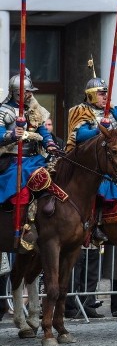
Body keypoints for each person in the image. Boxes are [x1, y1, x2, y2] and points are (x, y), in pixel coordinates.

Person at [66, 69, 117, 243]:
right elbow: (79, 136)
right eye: (101, 94)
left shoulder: (112, 112)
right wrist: (99, 129)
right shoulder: (79, 110)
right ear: (90, 95)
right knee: (100, 184)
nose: (105, 96)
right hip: (87, 161)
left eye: (106, 93)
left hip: (111, 158)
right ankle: (95, 223)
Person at [0, 73, 60, 249]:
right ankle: (21, 229)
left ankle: (49, 224)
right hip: (12, 159)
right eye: (27, 92)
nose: (30, 95)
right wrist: (11, 135)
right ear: (18, 93)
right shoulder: (4, 111)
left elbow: (43, 130)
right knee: (22, 188)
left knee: (55, 178)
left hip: (35, 158)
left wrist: (49, 143)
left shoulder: (33, 109)